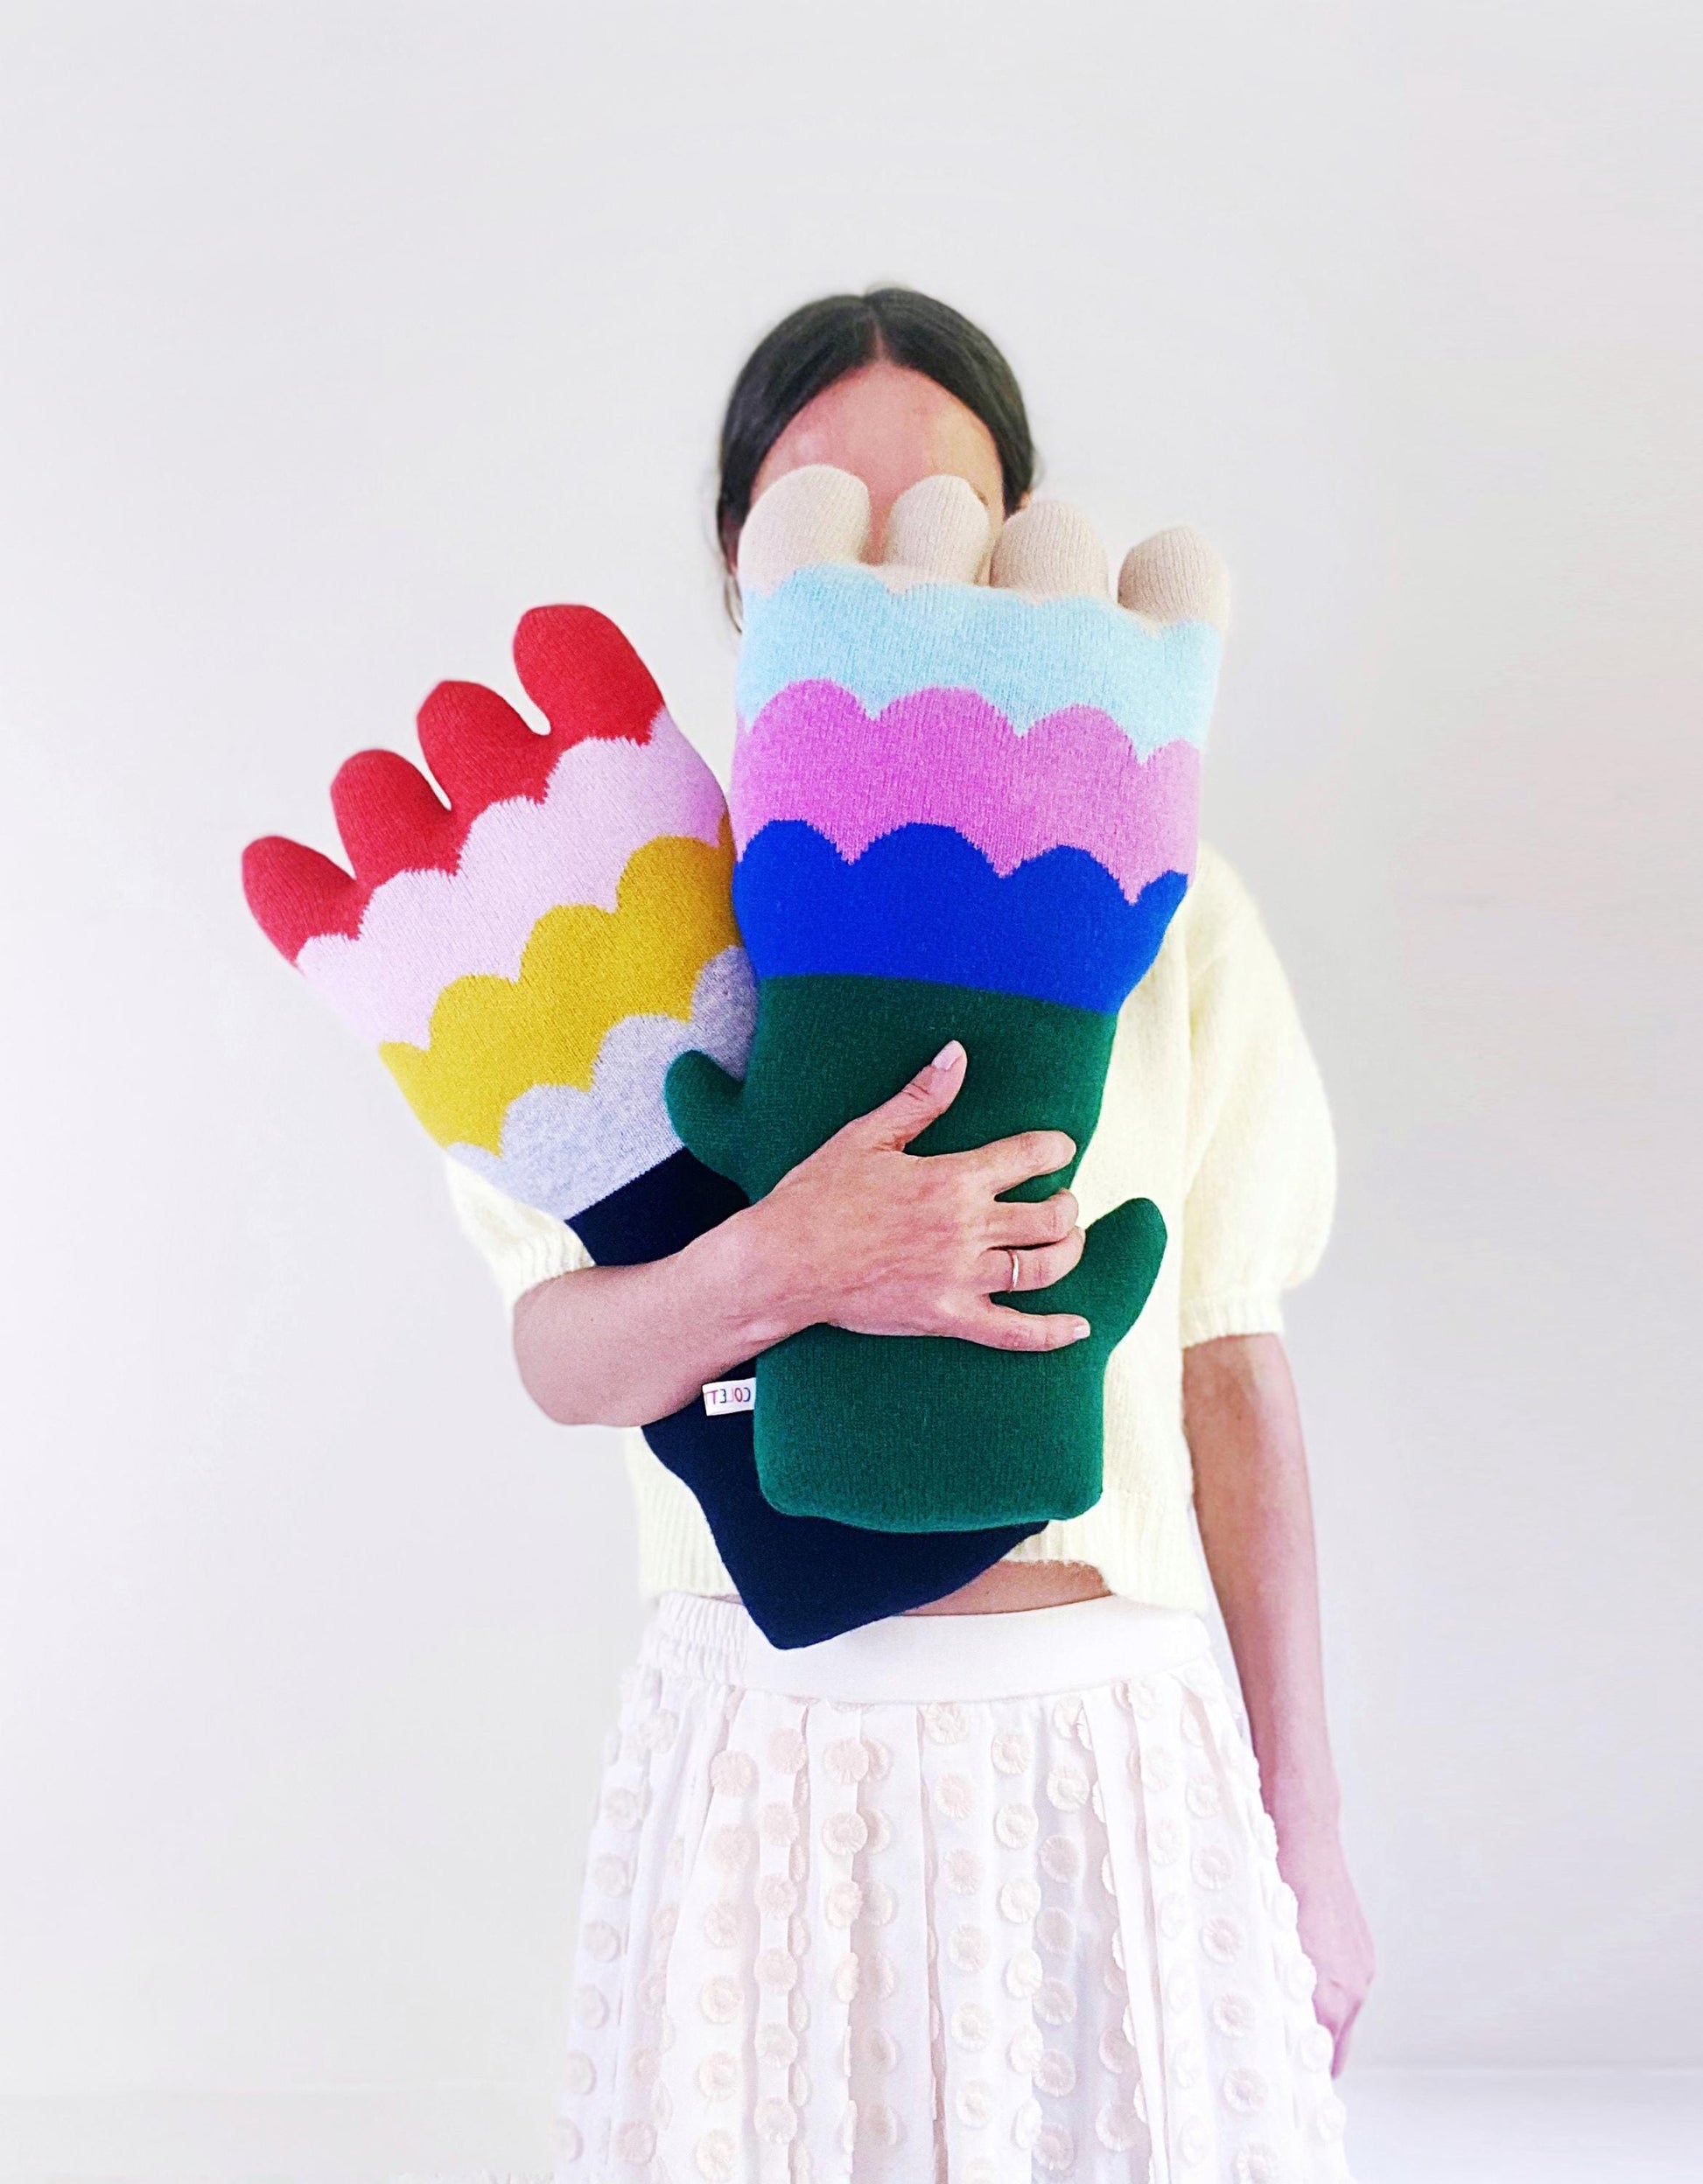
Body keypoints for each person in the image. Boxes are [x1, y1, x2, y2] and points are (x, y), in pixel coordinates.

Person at [450, 287, 1373, 2179]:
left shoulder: (1154, 908)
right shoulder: (631, 911)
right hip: (770, 1758)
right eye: (821, 504)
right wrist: (780, 1261)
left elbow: (1225, 1356)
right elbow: (560, 1352)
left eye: (936, 501)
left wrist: (1306, 1810)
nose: (882, 550)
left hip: (1105, 1748)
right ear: (740, 556)